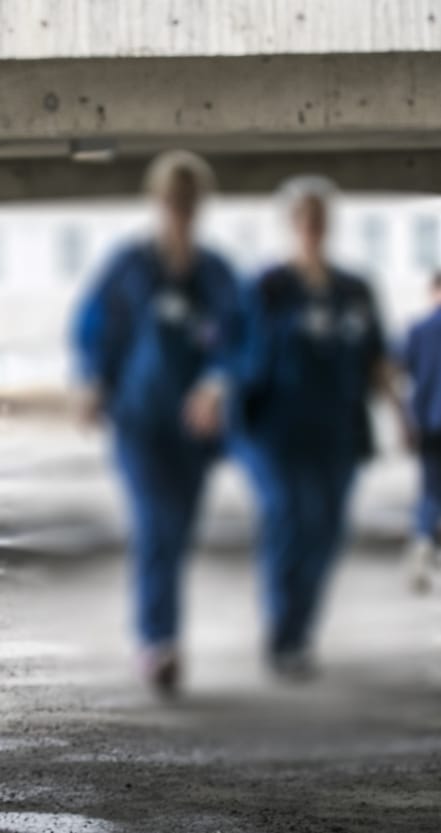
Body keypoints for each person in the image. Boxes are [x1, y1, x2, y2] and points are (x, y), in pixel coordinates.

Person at [72, 150, 239, 697]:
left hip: (196, 432)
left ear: (200, 205)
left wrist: (216, 384)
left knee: (179, 530)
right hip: (140, 421)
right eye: (172, 200)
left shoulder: (214, 274)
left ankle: (160, 635)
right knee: (155, 526)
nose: (180, 211)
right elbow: (96, 326)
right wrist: (94, 382)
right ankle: (158, 642)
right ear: (157, 202)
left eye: (189, 201)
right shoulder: (131, 267)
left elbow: (240, 339)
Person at [231, 176, 405, 679]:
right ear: (292, 226)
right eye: (304, 220)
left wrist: (402, 413)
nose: (312, 228)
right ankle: (283, 636)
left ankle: (300, 633)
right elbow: (235, 354)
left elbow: (377, 361)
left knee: (327, 532)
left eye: (320, 219)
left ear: (329, 226)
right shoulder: (268, 287)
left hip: (338, 434)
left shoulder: (355, 289)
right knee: (290, 520)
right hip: (277, 433)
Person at [399, 271, 441, 593]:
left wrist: (404, 420)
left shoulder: (419, 329)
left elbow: (398, 370)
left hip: (428, 421)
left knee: (429, 490)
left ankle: (422, 549)